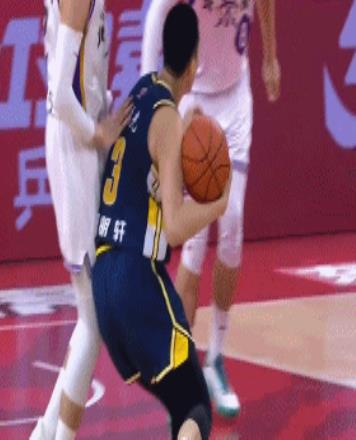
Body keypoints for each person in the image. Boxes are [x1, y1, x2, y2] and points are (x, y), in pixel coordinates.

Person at [92, 4, 230, 439]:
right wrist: (217, 204)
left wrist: (183, 125)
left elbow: (142, 158)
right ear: (194, 62)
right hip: (137, 280)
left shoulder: (142, 90)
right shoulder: (167, 120)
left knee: (179, 402)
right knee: (196, 404)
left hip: (105, 282)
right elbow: (173, 226)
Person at [141, 0, 281, 418]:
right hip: (195, 100)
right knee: (195, 241)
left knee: (232, 222)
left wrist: (270, 57)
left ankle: (216, 358)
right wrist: (152, 93)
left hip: (235, 99)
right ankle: (183, 375)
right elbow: (156, 13)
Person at [30, 0, 132, 439]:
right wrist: (97, 132)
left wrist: (103, 113)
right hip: (75, 149)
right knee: (94, 319)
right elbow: (59, 94)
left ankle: (44, 432)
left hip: (82, 146)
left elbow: (82, 78)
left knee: (92, 318)